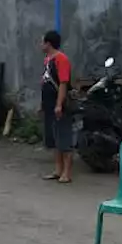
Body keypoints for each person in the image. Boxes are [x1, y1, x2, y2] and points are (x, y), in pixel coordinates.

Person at [40, 30, 74, 184]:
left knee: (64, 137)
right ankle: (58, 169)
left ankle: (67, 172)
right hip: (49, 104)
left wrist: (59, 104)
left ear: (48, 43)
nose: (41, 45)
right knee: (54, 138)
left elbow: (63, 83)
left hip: (60, 105)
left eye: (43, 42)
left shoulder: (61, 59)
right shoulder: (48, 60)